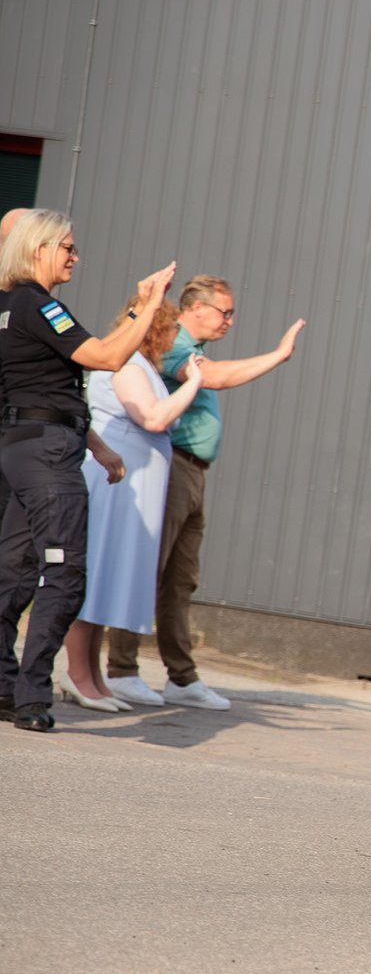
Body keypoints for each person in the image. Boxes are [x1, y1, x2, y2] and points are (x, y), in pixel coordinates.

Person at [0, 209, 174, 732]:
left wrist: (95, 443)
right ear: (40, 249)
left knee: (13, 572)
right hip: (47, 454)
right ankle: (32, 697)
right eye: (68, 248)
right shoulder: (37, 303)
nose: (76, 257)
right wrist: (149, 308)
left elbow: (33, 391)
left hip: (21, 444)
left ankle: (7, 687)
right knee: (65, 573)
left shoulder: (8, 305)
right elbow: (104, 356)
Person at [103, 275, 305, 711]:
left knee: (180, 579)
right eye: (224, 312)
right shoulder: (176, 344)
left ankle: (181, 677)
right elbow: (212, 379)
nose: (230, 321)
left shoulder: (193, 348)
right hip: (172, 467)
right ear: (196, 308)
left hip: (193, 473)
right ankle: (121, 669)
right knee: (149, 570)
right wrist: (277, 356)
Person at [58, 296, 202, 711]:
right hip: (116, 485)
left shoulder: (143, 365)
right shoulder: (128, 364)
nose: (176, 337)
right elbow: (153, 418)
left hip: (130, 489)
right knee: (97, 576)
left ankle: (94, 677)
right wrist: (193, 382)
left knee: (108, 581)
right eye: (173, 328)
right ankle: (77, 674)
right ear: (157, 328)